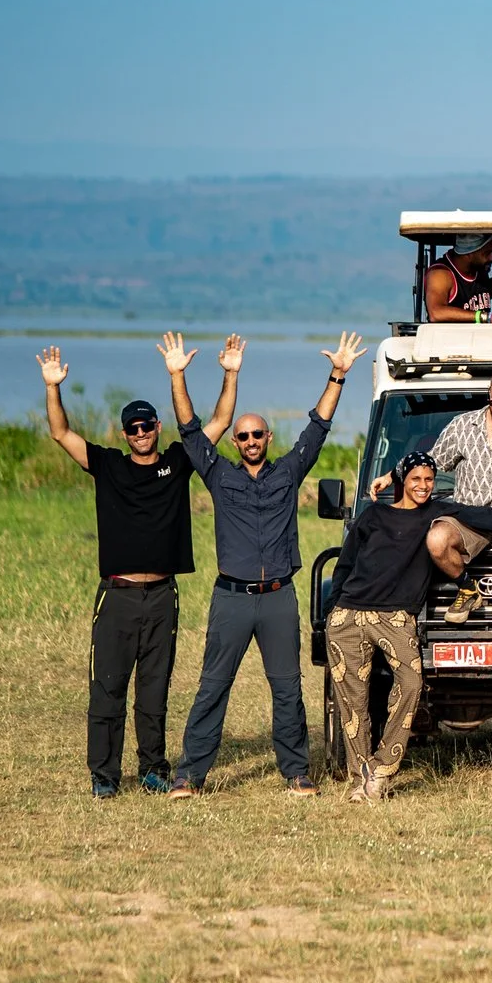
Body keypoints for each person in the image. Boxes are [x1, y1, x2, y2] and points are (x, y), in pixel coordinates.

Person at [37, 335, 239, 797]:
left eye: (147, 425)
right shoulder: (107, 465)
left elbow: (222, 421)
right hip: (118, 596)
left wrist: (222, 373)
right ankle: (104, 776)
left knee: (154, 690)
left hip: (161, 595)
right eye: (134, 428)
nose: (142, 433)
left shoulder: (176, 460)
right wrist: (53, 388)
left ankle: (153, 768)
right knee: (107, 689)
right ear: (124, 433)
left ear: (158, 426)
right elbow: (61, 434)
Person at [170, 332, 368, 798]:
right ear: (235, 442)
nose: (251, 440)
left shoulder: (287, 472)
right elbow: (190, 430)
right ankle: (189, 776)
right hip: (231, 599)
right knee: (212, 688)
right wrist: (181, 375)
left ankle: (296, 773)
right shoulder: (218, 475)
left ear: (268, 438)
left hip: (279, 597)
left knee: (287, 690)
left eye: (258, 434)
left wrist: (338, 374)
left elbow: (318, 427)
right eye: (243, 436)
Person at [326, 451, 492, 801]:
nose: (423, 486)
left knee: (412, 684)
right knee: (352, 702)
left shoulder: (436, 514)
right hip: (349, 615)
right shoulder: (373, 514)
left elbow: (484, 515)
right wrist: (331, 612)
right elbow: (346, 563)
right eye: (416, 479)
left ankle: (382, 767)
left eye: (429, 479)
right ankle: (361, 780)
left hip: (397, 617)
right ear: (402, 480)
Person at [369, 363, 492, 624]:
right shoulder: (463, 425)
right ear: (488, 394)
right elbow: (430, 461)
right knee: (436, 539)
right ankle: (467, 588)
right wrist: (390, 476)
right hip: (466, 515)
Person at [422, 234, 492, 324]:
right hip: (453, 346)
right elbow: (436, 312)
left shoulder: (478, 269)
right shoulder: (440, 273)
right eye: (487, 253)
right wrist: (488, 317)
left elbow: (485, 292)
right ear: (469, 253)